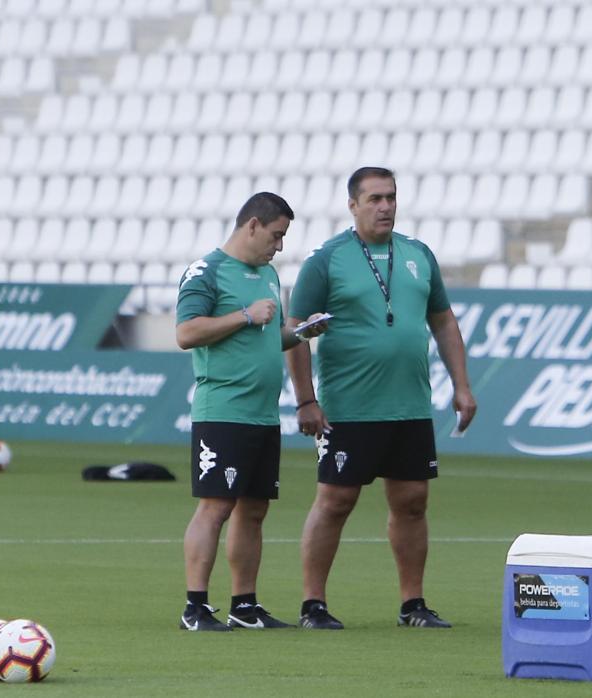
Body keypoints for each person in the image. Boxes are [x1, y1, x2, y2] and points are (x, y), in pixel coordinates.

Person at [286, 167, 477, 630]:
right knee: (335, 501)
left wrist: (462, 385)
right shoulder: (326, 260)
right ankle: (313, 604)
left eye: (390, 197)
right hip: (349, 407)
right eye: (374, 198)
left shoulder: (417, 254)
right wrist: (306, 400)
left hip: (409, 405)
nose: (385, 206)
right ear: (353, 205)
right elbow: (295, 333)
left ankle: (412, 604)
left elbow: (444, 322)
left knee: (412, 501)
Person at [176, 192, 328, 631]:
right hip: (223, 409)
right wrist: (244, 315)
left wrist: (299, 331)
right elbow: (186, 332)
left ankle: (244, 604)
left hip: (262, 413)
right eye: (277, 235)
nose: (279, 246)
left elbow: (268, 335)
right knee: (216, 507)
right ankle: (196, 607)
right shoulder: (206, 271)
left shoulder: (266, 275)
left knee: (254, 509)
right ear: (253, 226)